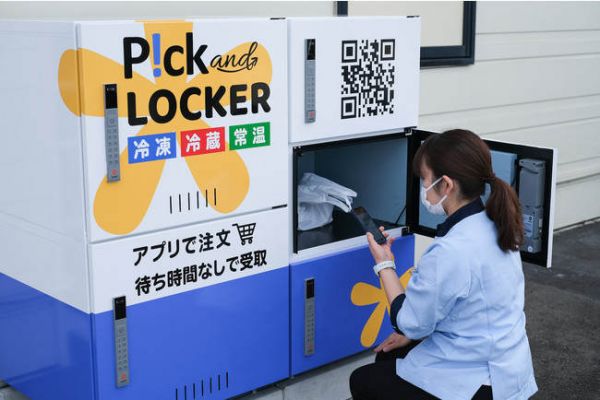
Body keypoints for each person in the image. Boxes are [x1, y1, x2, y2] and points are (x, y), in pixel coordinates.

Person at [349, 129, 538, 400]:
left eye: (425, 179)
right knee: (391, 356)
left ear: (446, 185)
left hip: (478, 382)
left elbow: (409, 323)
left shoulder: (451, 250)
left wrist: (384, 264)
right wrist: (411, 335)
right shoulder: (498, 224)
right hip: (509, 367)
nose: (423, 189)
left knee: (362, 380)